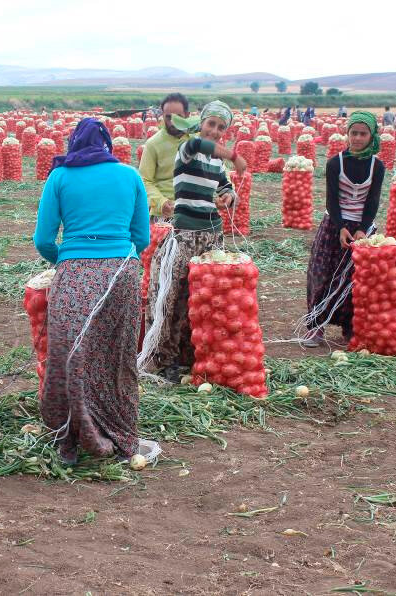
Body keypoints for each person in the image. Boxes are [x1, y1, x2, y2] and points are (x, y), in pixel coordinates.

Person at [33, 118, 150, 465]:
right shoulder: (130, 176)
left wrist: (66, 258)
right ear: (107, 145)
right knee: (117, 355)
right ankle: (120, 430)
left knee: (69, 355)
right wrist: (117, 257)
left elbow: (43, 239)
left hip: (74, 275)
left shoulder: (60, 177)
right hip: (121, 273)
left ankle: (71, 436)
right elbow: (141, 238)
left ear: (74, 143)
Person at [141, 101, 247, 380]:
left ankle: (194, 356)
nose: (214, 130)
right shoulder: (187, 149)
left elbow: (225, 185)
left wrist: (229, 196)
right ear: (201, 124)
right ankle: (165, 358)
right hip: (185, 235)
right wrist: (235, 155)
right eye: (211, 124)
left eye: (221, 127)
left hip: (212, 236)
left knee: (203, 298)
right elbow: (201, 146)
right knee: (171, 298)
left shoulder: (216, 161)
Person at [302, 112, 385, 347]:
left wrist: (363, 229)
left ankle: (350, 328)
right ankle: (315, 327)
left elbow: (372, 201)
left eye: (363, 133)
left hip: (362, 229)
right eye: (354, 133)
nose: (358, 138)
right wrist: (340, 228)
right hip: (334, 226)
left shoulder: (377, 166)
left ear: (371, 135)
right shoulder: (334, 162)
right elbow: (332, 201)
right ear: (347, 134)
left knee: (355, 280)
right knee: (320, 275)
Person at [138, 93, 192, 220]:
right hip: (166, 213)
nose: (173, 122)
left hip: (196, 212)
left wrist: (226, 192)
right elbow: (145, 180)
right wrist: (160, 202)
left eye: (178, 117)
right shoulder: (153, 144)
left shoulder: (198, 139)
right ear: (162, 116)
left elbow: (218, 169)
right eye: (168, 117)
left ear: (187, 115)